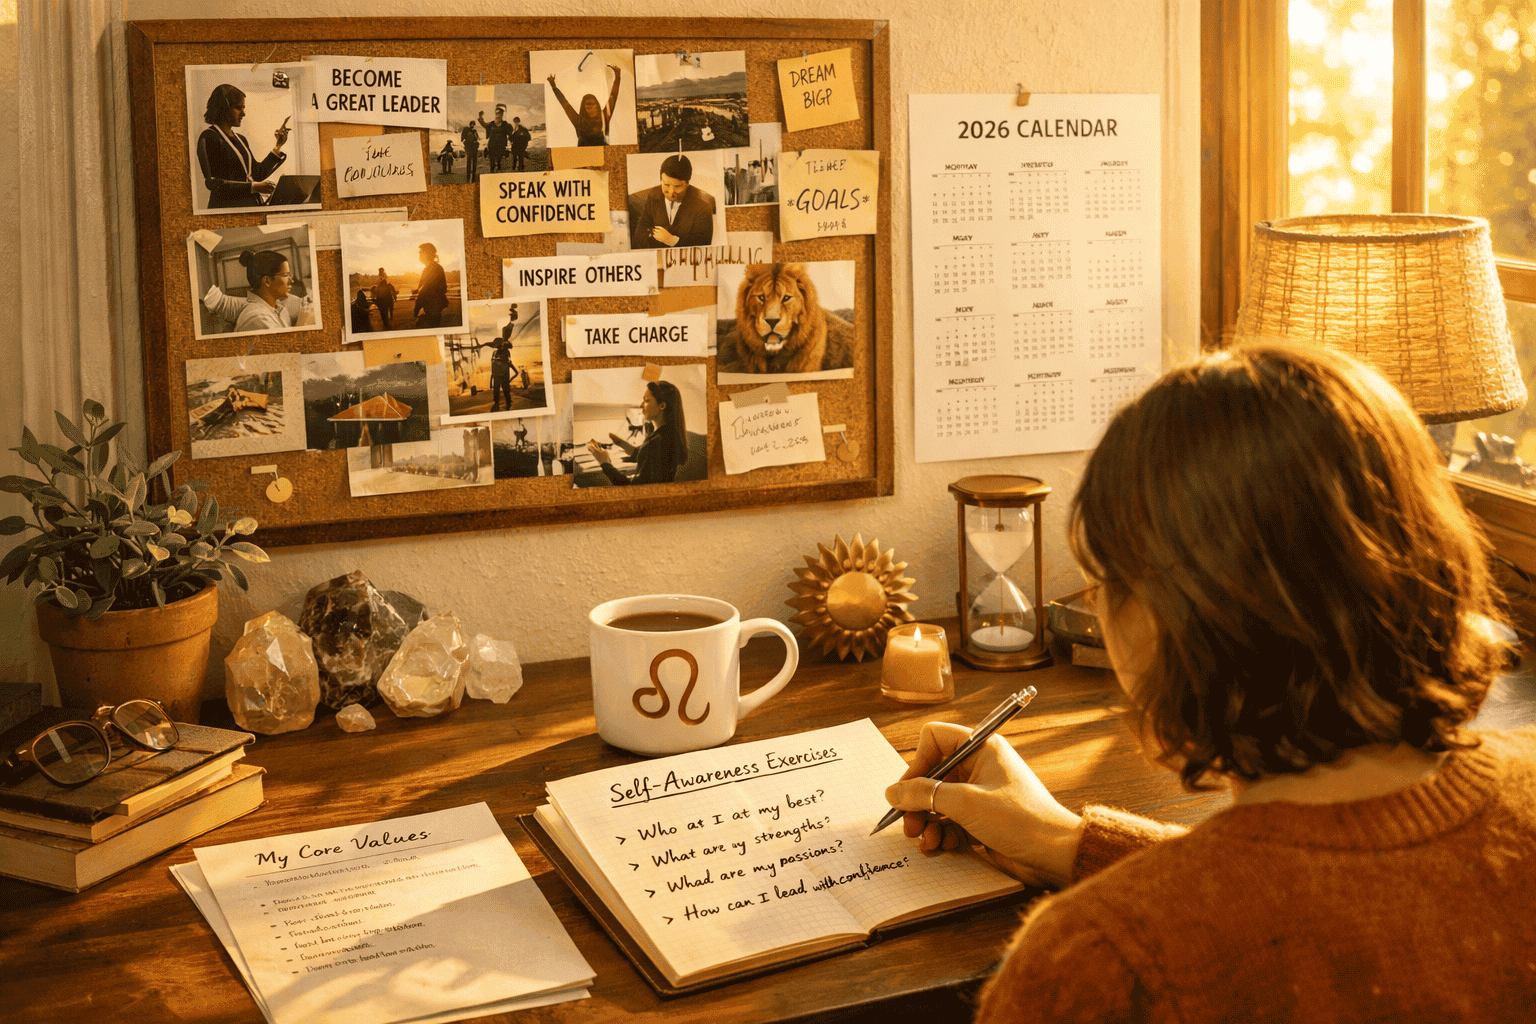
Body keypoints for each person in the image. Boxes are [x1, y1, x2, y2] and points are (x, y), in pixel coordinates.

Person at [881, 341, 1536, 1023]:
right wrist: (1066, 842)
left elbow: (1271, 915)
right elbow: (1349, 886)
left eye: (1099, 584)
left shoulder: (1092, 967)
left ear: (1164, 625)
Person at [196, 83, 290, 209]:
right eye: (238, 108)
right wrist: (254, 187)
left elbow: (256, 174)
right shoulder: (208, 137)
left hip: (249, 205)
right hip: (225, 209)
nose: (243, 114)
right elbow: (214, 183)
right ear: (223, 108)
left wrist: (278, 146)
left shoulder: (241, 139)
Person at [585, 380, 687, 486]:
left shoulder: (656, 441)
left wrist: (605, 463)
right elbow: (647, 455)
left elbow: (631, 488)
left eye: (646, 401)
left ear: (662, 406)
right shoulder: (670, 434)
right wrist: (621, 443)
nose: (641, 405)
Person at [630, 154, 716, 249]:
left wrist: (672, 240)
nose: (671, 192)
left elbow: (704, 242)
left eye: (677, 186)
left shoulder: (704, 205)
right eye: (666, 185)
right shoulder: (652, 197)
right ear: (661, 180)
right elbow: (640, 234)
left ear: (687, 183)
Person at [547, 64, 621, 146]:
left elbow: (613, 97)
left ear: (597, 105)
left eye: (593, 103)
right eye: (587, 104)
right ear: (583, 106)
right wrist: (553, 86)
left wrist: (617, 78)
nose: (590, 106)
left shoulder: (604, 117)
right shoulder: (578, 121)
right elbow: (564, 103)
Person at [230, 250, 295, 333]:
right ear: (267, 281)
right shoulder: (257, 317)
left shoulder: (280, 309)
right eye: (286, 275)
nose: (291, 281)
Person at [412, 242, 449, 330]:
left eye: (421, 252)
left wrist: (416, 310)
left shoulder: (432, 268)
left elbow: (425, 290)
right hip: (433, 309)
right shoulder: (434, 267)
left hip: (431, 310)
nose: (419, 254)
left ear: (427, 254)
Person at [478, 105, 513, 174]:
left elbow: (510, 133)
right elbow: (484, 124)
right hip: (492, 144)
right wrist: (480, 117)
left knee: (499, 158)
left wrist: (511, 140)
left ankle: (499, 167)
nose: (498, 115)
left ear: (502, 114)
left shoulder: (505, 124)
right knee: (492, 160)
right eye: (496, 113)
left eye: (499, 113)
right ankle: (492, 171)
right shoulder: (491, 124)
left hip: (501, 145)